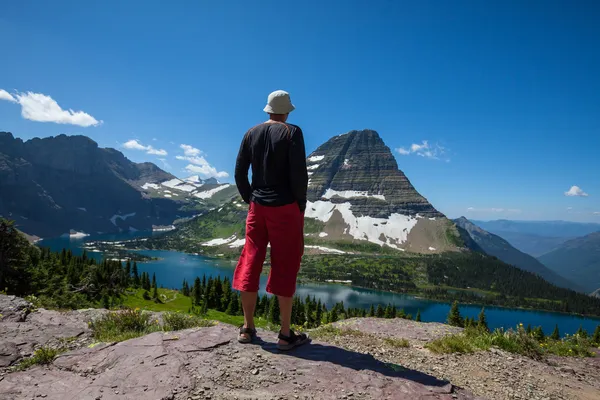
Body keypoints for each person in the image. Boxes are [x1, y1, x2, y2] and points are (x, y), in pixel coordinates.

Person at [233, 90, 310, 350]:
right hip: (285, 206)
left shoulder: (250, 133)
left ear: (267, 110)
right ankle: (285, 334)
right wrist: (299, 204)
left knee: (251, 258)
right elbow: (299, 174)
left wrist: (250, 198)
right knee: (285, 262)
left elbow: (240, 171)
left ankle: (247, 327)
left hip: (258, 206)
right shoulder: (292, 132)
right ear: (287, 111)